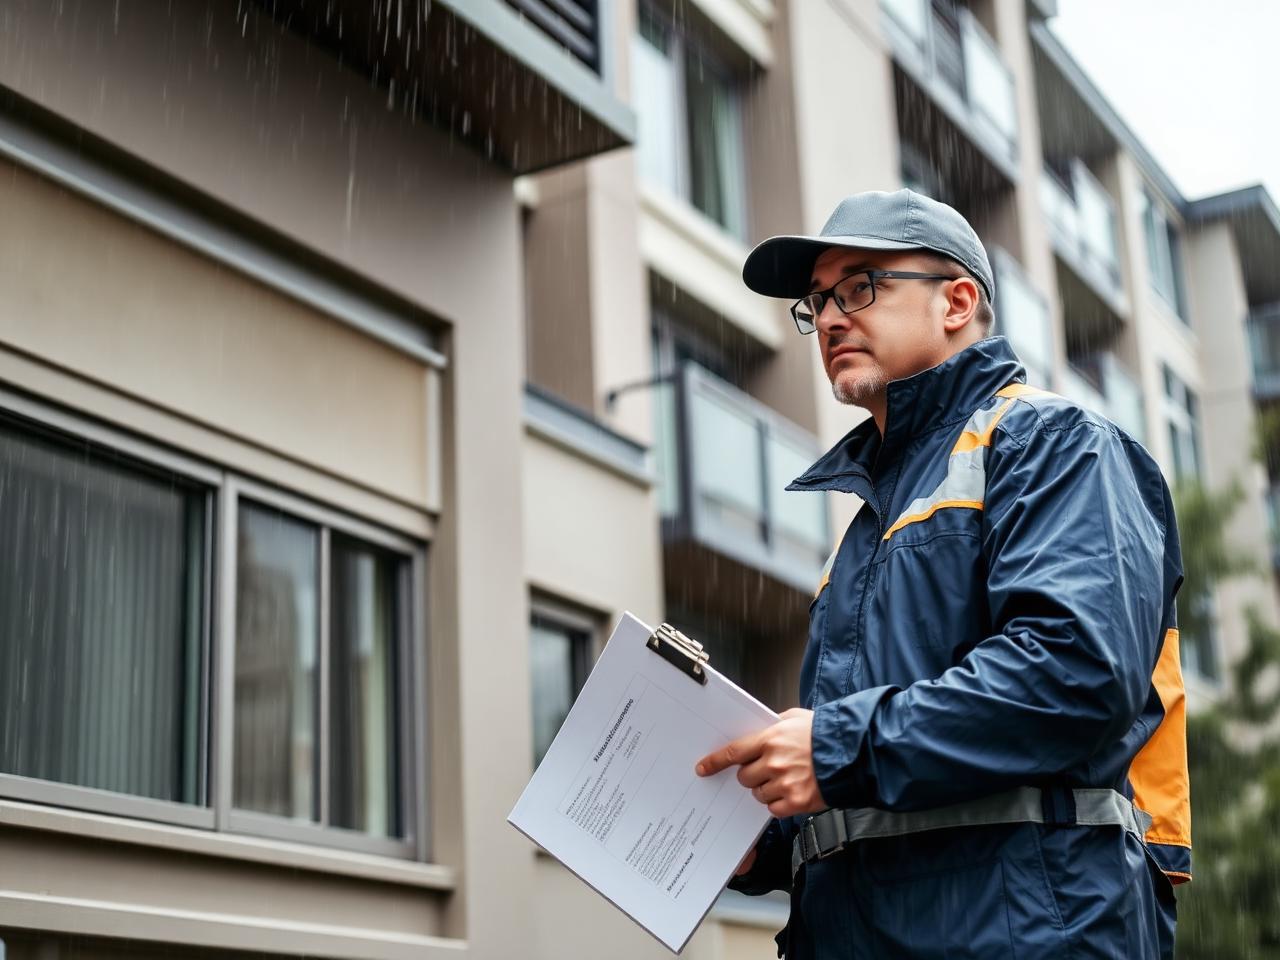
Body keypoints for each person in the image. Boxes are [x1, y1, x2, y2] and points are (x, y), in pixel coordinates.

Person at [694, 189, 1190, 959]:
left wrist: (832, 752)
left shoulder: (1056, 443)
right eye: (816, 303)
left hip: (1025, 936)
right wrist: (766, 841)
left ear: (958, 301)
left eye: (859, 287)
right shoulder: (869, 527)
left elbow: (1074, 673)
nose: (827, 319)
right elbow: (880, 771)